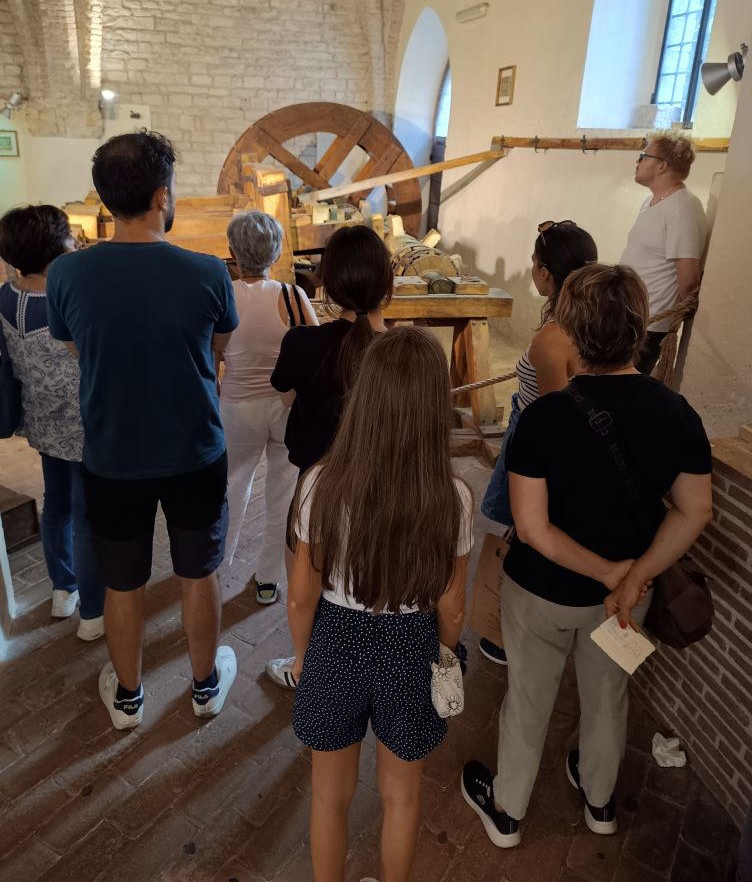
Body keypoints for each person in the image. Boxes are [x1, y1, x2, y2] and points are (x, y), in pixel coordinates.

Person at [462, 264, 712, 848]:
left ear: (571, 333)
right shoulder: (677, 413)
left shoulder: (546, 416)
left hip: (543, 591)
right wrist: (632, 577)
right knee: (607, 698)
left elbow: (532, 527)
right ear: (639, 328)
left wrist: (609, 573)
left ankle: (508, 812)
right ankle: (600, 803)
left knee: (529, 699)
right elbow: (694, 509)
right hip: (626, 598)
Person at [47, 130, 239, 730]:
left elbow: (79, 351)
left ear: (106, 199)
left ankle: (128, 698)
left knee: (123, 582)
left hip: (112, 452)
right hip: (194, 448)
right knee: (199, 571)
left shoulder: (66, 275)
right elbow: (217, 352)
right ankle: (206, 687)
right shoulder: (209, 272)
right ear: (162, 195)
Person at [288, 327, 473, 882]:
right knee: (401, 796)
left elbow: (300, 594)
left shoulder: (320, 483)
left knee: (329, 796)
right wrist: (444, 653)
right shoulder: (452, 496)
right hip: (411, 645)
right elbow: (453, 604)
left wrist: (303, 655)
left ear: (364, 395)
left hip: (336, 640)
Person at [265, 223, 393, 689]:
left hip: (315, 486)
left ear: (327, 284)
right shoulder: (405, 351)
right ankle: (370, 664)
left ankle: (307, 666)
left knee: (305, 581)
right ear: (387, 282)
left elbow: (286, 398)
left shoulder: (302, 342)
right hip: (385, 488)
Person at [479, 220, 597, 664]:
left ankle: (506, 633)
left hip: (535, 445)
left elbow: (554, 417)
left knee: (526, 531)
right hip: (531, 431)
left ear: (546, 274)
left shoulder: (556, 335)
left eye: (533, 264)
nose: (531, 270)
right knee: (526, 530)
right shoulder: (589, 319)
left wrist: (537, 482)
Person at [0, 205, 106, 639]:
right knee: (87, 515)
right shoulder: (71, 296)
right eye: (69, 236)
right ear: (56, 247)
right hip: (83, 423)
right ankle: (93, 612)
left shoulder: (6, 296)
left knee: (56, 503)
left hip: (39, 420)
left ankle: (63, 588)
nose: (75, 242)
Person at [220, 210, 316, 605]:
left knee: (230, 487)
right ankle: (268, 578)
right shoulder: (293, 296)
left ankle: (215, 569)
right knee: (282, 492)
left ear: (232, 253)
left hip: (237, 406)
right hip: (286, 405)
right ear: (276, 253)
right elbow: (312, 349)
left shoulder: (223, 295)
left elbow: (212, 353)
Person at [621, 131, 708, 374]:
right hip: (626, 315)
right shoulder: (652, 201)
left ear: (662, 165)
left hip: (647, 324)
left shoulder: (682, 208)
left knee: (621, 391)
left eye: (643, 155)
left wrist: (676, 319)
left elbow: (688, 279)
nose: (638, 161)